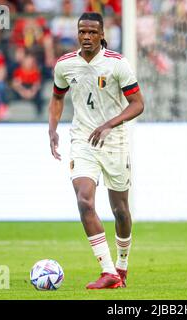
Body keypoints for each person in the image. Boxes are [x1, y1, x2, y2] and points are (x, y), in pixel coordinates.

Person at [48, 12, 144, 289]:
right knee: (85, 201)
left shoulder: (117, 64)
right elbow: (57, 97)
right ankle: (108, 271)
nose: (86, 36)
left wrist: (109, 124)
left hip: (114, 142)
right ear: (77, 34)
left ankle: (122, 267)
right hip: (82, 140)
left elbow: (138, 104)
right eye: (82, 32)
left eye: (92, 32)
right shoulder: (65, 65)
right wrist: (52, 128)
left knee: (120, 210)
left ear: (102, 34)